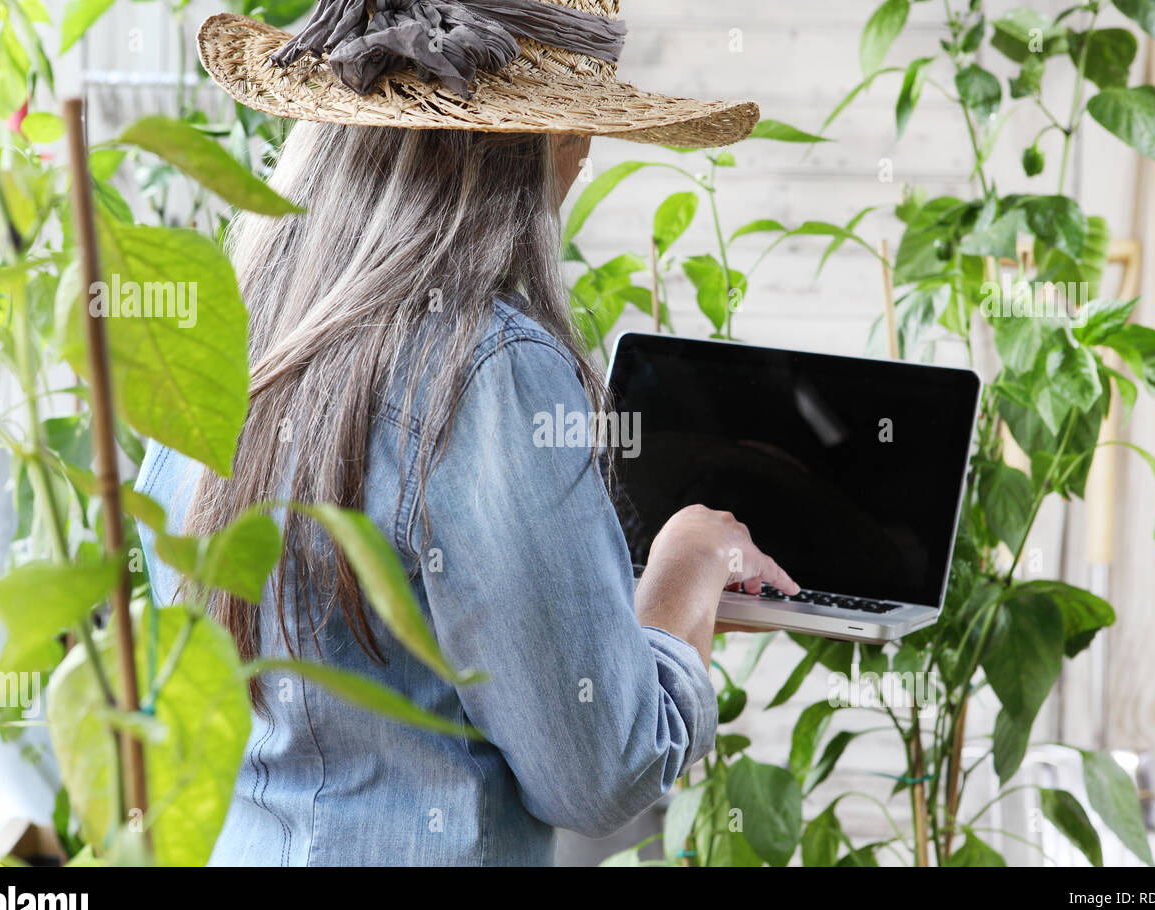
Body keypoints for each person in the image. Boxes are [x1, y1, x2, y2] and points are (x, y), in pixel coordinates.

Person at [135, 0, 796, 865]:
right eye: (577, 141)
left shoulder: (221, 331)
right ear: (558, 144)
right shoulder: (487, 369)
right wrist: (687, 570)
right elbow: (601, 774)